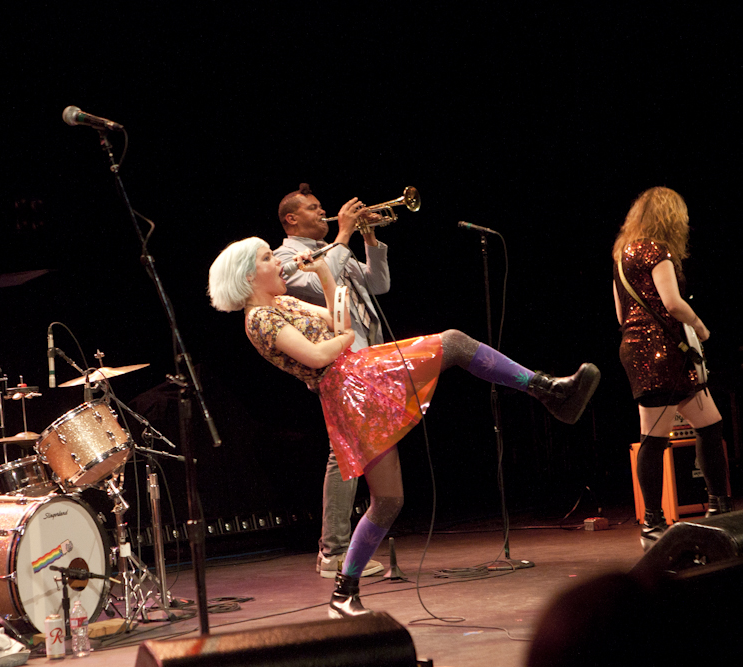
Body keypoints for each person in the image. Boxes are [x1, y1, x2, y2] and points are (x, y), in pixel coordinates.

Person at [209, 237, 600, 617]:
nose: (278, 262)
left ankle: (343, 594)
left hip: (359, 379)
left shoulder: (282, 301)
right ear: (246, 277)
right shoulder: (259, 318)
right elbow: (314, 356)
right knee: (450, 352)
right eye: (266, 259)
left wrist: (327, 280)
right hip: (350, 388)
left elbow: (334, 319)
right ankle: (547, 390)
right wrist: (346, 339)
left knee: (452, 350)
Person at [274, 183, 388, 578]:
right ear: (292, 218)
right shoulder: (282, 256)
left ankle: (340, 548)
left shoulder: (339, 251)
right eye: (314, 208)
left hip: (367, 352)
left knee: (353, 450)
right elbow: (312, 287)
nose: (323, 212)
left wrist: (369, 238)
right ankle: (333, 551)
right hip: (341, 361)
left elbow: (378, 284)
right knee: (343, 453)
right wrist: (343, 234)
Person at [612, 186, 731, 551]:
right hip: (665, 352)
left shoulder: (621, 255)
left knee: (708, 424)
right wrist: (702, 328)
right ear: (669, 218)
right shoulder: (658, 250)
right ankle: (657, 521)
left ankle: (713, 507)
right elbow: (674, 303)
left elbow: (620, 315)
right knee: (655, 436)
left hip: (637, 349)